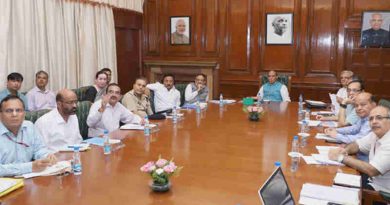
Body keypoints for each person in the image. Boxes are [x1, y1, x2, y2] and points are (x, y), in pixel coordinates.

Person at [329, 106, 390, 195]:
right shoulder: (375, 134)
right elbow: (357, 145)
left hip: (382, 193)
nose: (374, 121)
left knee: (337, 191)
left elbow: (372, 170)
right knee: (334, 178)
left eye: (379, 118)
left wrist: (341, 158)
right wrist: (344, 150)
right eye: (371, 119)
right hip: (371, 181)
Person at [0, 95, 56, 177]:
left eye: (18, 110)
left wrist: (46, 156)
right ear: (0, 114)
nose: (14, 114)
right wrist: (30, 167)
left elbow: (39, 149)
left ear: (24, 113)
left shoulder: (29, 126)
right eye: (9, 111)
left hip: (28, 179)